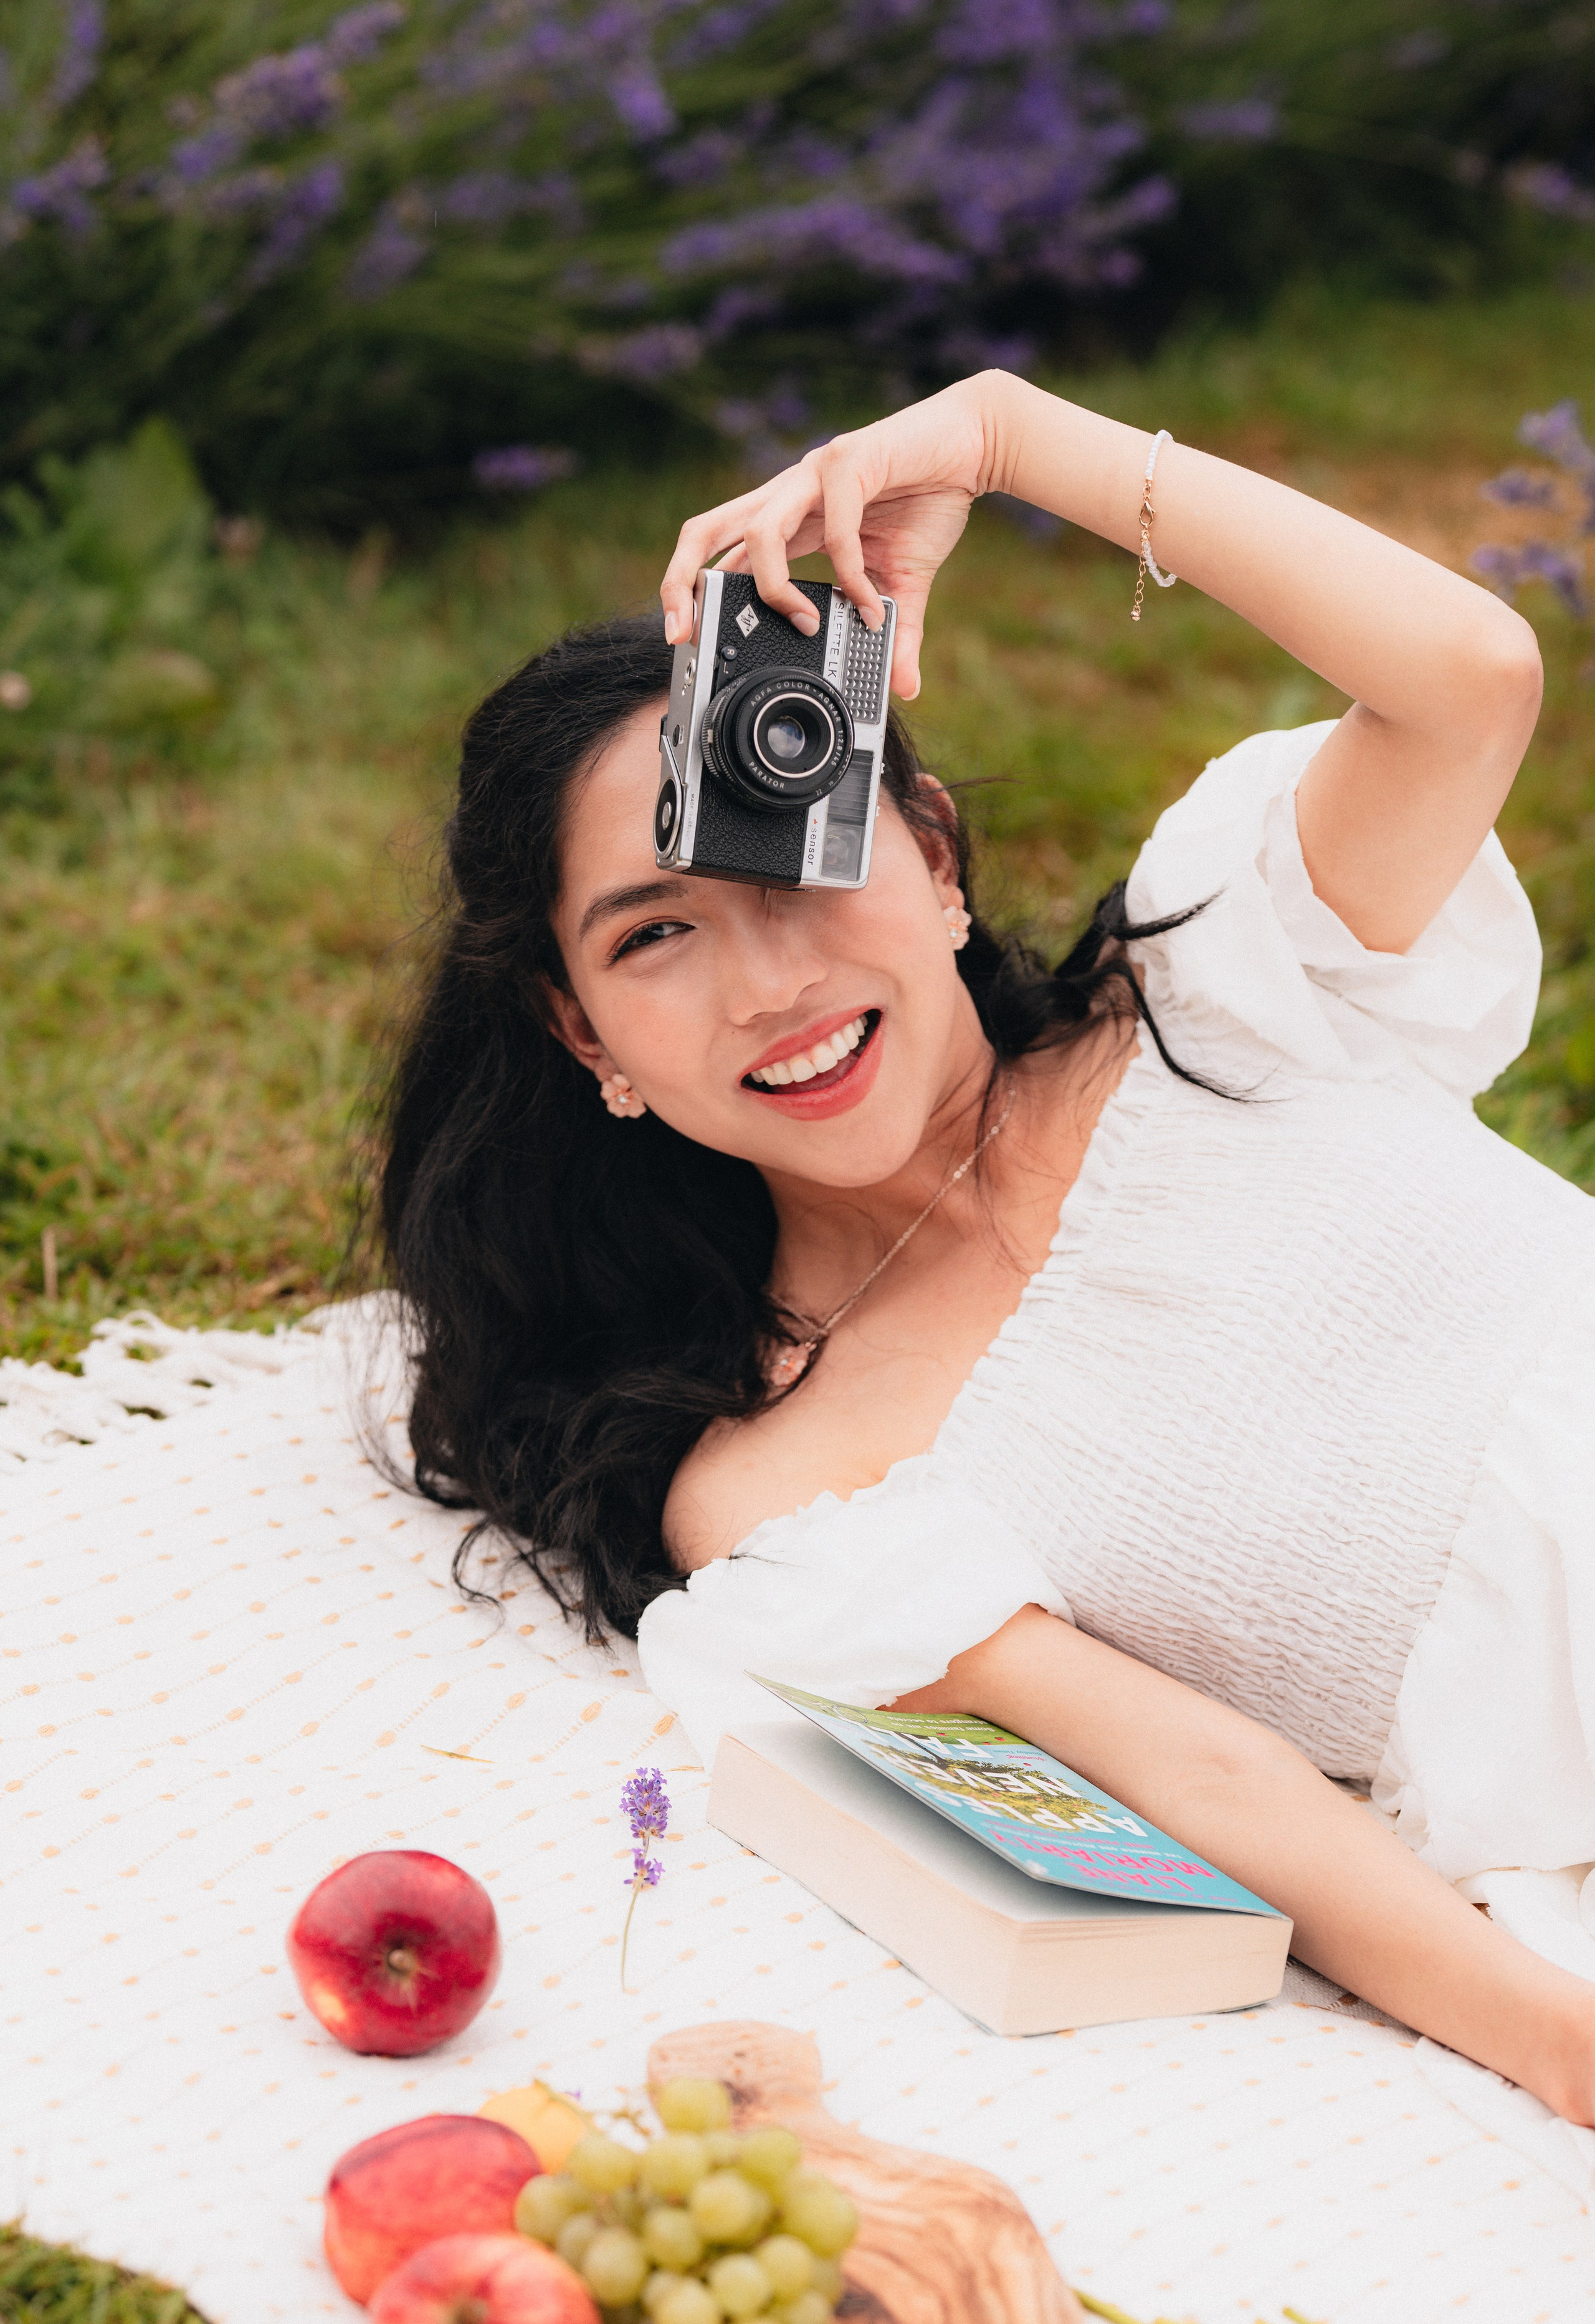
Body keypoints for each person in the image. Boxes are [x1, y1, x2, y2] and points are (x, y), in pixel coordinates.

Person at [376, 370, 1595, 2123]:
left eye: (801, 854)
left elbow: (1471, 677)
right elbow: (1208, 1776)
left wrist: (1013, 441)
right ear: (586, 1043)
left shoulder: (1233, 986)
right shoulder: (803, 1479)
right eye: (657, 935)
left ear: (935, 858)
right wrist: (1559, 2040)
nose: (773, 978)